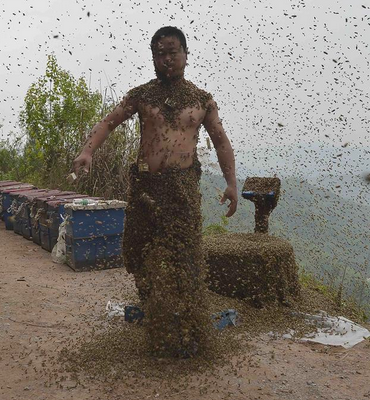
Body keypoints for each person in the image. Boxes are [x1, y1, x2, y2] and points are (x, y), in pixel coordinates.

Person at [73, 26, 237, 357]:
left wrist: (232, 183)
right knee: (137, 251)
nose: (166, 60)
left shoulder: (203, 101)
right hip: (145, 186)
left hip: (181, 190)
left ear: (186, 55)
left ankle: (188, 326)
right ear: (153, 58)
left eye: (172, 52)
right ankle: (152, 307)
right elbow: (108, 122)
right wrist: (87, 151)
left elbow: (220, 140)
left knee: (185, 258)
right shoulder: (142, 95)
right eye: (159, 53)